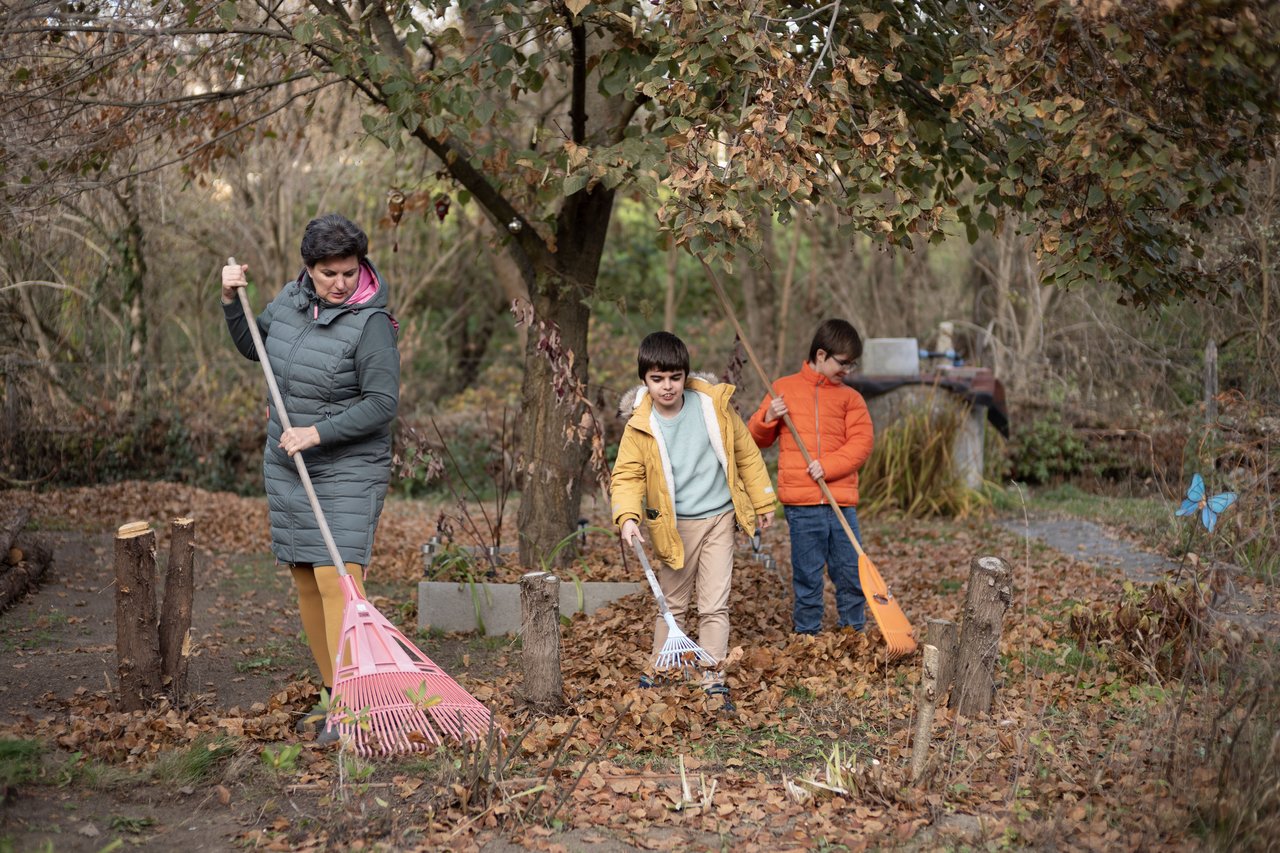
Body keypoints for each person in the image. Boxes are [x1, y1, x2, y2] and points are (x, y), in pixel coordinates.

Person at [221, 214, 400, 744]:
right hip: (289, 463)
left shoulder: (371, 324)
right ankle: (334, 698)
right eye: (329, 273)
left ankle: (358, 705)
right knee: (305, 575)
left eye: (349, 272)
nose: (341, 283)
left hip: (348, 465)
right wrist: (233, 303)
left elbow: (383, 403)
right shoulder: (290, 301)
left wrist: (316, 433)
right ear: (309, 271)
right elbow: (256, 348)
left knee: (337, 580)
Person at [611, 331, 776, 713]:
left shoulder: (712, 407)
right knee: (672, 602)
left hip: (719, 516)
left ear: (685, 375)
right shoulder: (640, 425)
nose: (667, 387)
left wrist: (763, 499)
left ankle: (713, 676)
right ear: (644, 380)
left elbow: (746, 454)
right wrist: (627, 515)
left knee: (714, 603)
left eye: (674, 377)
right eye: (657, 379)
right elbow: (626, 476)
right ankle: (663, 664)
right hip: (674, 525)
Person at [747, 319, 873, 635]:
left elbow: (861, 444)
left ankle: (853, 628)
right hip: (801, 505)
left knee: (849, 570)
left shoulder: (851, 399)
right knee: (807, 572)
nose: (848, 370)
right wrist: (767, 418)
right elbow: (755, 439)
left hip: (840, 502)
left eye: (852, 364)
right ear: (820, 354)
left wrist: (828, 466)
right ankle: (807, 631)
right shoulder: (783, 389)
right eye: (843, 363)